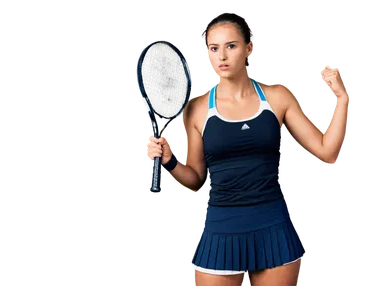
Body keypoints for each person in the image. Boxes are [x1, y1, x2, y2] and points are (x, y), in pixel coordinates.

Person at [145, 11, 351, 286]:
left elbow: (327, 151)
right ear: (207, 54)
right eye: (214, 48)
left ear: (249, 49)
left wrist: (342, 97)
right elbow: (195, 180)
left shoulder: (278, 97)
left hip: (274, 230)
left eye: (231, 46)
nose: (222, 56)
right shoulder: (196, 109)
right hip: (220, 231)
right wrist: (170, 161)